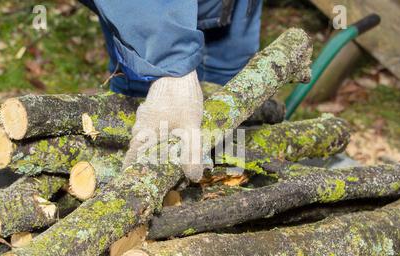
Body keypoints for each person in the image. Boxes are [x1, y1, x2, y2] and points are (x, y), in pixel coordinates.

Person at [79, 0, 263, 181]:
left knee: (229, 141)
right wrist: (169, 61)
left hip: (230, 9)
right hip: (148, 18)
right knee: (140, 107)